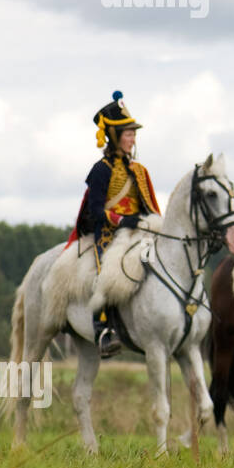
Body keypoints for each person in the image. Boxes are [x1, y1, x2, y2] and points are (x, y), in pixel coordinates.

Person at [74, 91, 162, 358]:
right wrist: (123, 220)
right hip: (108, 237)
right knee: (106, 276)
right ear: (114, 136)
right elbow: (96, 211)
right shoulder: (100, 170)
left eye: (134, 133)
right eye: (128, 133)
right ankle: (103, 330)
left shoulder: (139, 170)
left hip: (140, 235)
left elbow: (149, 206)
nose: (133, 138)